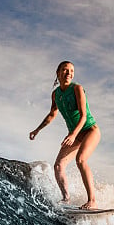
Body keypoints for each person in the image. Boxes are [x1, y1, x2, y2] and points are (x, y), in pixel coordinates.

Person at [29, 61, 101, 209]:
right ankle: (66, 198)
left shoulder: (77, 88)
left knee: (80, 160)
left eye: (72, 71)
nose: (69, 73)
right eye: (65, 70)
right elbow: (51, 115)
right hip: (74, 134)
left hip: (89, 130)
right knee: (58, 166)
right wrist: (37, 130)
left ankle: (92, 200)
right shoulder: (55, 94)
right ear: (58, 73)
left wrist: (73, 134)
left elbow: (84, 117)